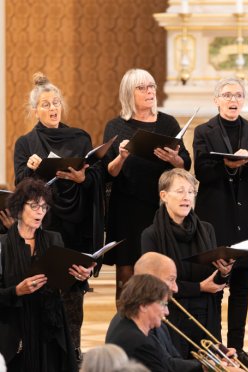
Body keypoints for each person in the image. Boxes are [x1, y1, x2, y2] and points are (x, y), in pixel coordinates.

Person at [13, 72, 105, 359]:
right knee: (43, 289)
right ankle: (40, 352)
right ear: (34, 111)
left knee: (74, 290)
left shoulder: (80, 137)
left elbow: (95, 178)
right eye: (45, 104)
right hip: (44, 226)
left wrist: (81, 179)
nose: (52, 108)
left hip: (76, 224)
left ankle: (74, 350)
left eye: (56, 103)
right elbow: (20, 190)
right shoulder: (26, 143)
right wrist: (31, 170)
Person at [193, 77, 248, 356]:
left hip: (247, 219)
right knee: (214, 289)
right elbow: (202, 172)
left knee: (241, 291)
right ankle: (214, 349)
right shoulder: (204, 131)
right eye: (227, 95)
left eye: (238, 95)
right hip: (215, 220)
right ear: (216, 100)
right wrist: (227, 163)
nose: (233, 100)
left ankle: (236, 349)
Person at [102, 68, 191, 299]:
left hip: (160, 207)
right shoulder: (115, 126)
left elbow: (186, 163)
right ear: (128, 93)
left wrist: (174, 159)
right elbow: (107, 172)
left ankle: (159, 325)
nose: (149, 91)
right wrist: (121, 157)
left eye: (151, 86)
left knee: (161, 267)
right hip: (127, 207)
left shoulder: (168, 123)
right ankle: (126, 326)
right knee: (126, 270)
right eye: (141, 88)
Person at [0, 178, 95, 371]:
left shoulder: (54, 239)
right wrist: (17, 291)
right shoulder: (2, 245)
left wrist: (80, 276)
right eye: (34, 206)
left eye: (44, 207)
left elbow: (65, 280)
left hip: (50, 328)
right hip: (16, 328)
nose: (40, 212)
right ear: (19, 207)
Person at [141, 169, 232, 358]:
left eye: (191, 192)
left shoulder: (207, 230)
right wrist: (198, 288)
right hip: (170, 316)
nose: (187, 197)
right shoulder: (151, 235)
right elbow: (153, 285)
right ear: (164, 195)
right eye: (180, 191)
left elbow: (214, 277)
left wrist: (224, 273)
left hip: (206, 314)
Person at [106, 252, 203, 372]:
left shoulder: (154, 322)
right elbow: (167, 366)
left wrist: (214, 361)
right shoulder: (137, 339)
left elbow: (172, 359)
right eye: (171, 279)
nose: (176, 288)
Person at [105, 274, 171, 372]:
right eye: (163, 304)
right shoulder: (140, 343)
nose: (167, 312)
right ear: (143, 305)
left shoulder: (125, 324)